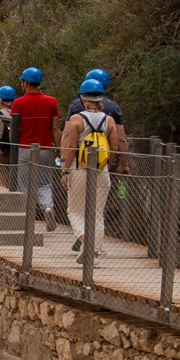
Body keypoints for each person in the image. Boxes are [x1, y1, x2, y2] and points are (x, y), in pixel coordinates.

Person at [59, 78, 124, 257]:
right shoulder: (109, 120)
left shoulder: (76, 120)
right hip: (101, 170)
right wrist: (107, 165)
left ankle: (84, 240)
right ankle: (94, 251)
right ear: (100, 99)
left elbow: (71, 147)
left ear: (83, 98)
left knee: (74, 211)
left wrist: (64, 170)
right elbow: (115, 147)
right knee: (97, 213)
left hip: (79, 168)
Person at [11, 67, 60, 234]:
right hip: (46, 148)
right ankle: (47, 207)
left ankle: (26, 219)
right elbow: (55, 128)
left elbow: (14, 129)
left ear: (25, 83)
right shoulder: (51, 102)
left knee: (23, 185)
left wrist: (13, 147)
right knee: (44, 183)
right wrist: (58, 149)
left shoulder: (18, 103)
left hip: (24, 148)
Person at [0, 84, 19, 189]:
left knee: (0, 184)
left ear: (0, 100)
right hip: (14, 152)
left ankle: (3, 204)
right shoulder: (16, 114)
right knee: (13, 183)